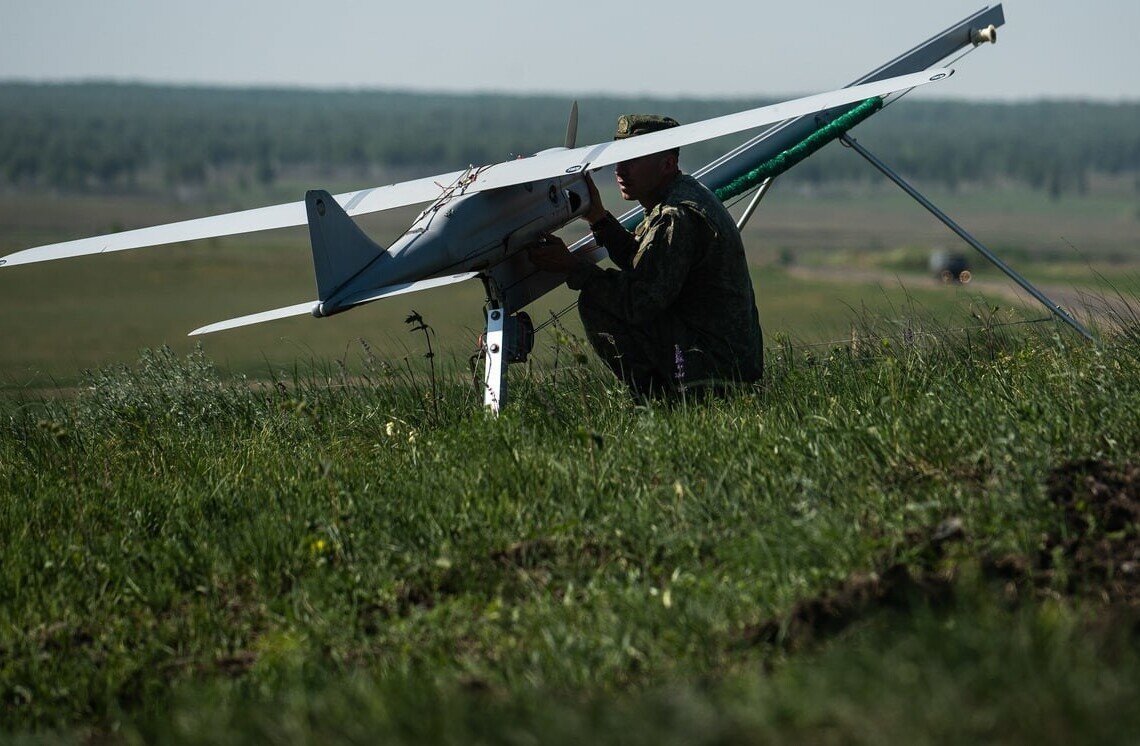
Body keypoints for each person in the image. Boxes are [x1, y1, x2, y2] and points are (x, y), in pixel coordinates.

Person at [529, 114, 763, 399]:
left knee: (597, 301)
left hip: (717, 369)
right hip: (724, 358)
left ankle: (662, 403)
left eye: (632, 160)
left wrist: (573, 267)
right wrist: (598, 218)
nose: (620, 170)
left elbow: (639, 302)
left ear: (667, 164)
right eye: (619, 158)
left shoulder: (675, 216)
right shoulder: (682, 194)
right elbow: (650, 267)